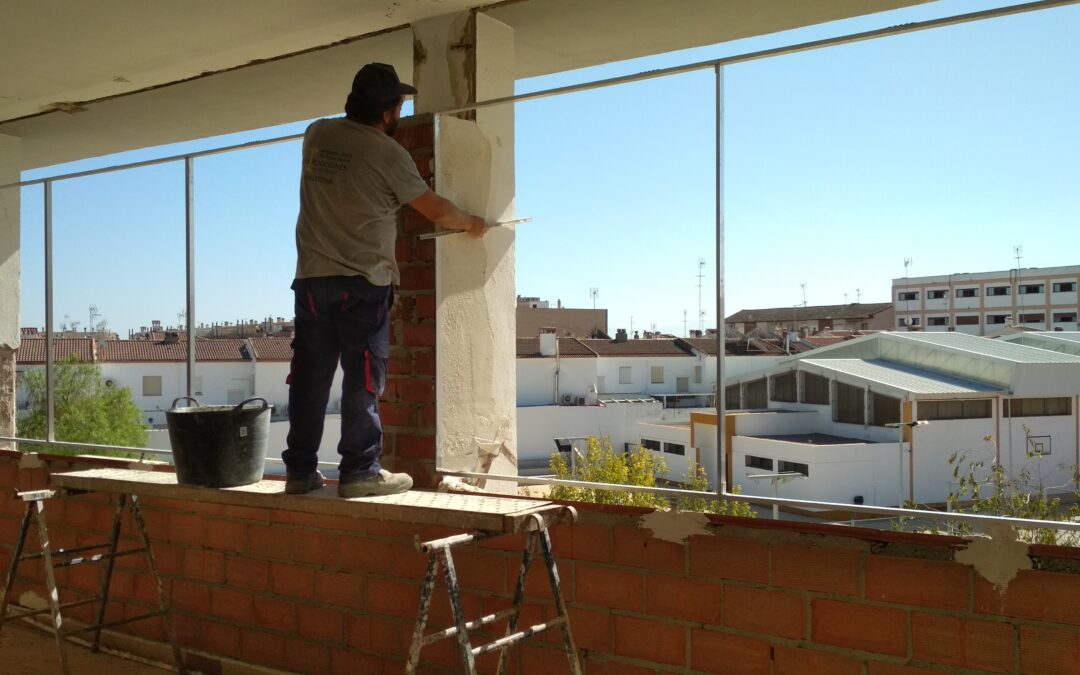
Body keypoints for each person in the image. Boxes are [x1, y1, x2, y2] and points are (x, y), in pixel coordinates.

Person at [283, 62, 488, 498]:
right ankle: (359, 471)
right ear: (390, 112)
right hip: (363, 282)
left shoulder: (316, 135)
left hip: (312, 280)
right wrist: (471, 222)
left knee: (309, 378)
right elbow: (433, 210)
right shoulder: (388, 155)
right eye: (399, 105)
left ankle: (300, 472)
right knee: (363, 379)